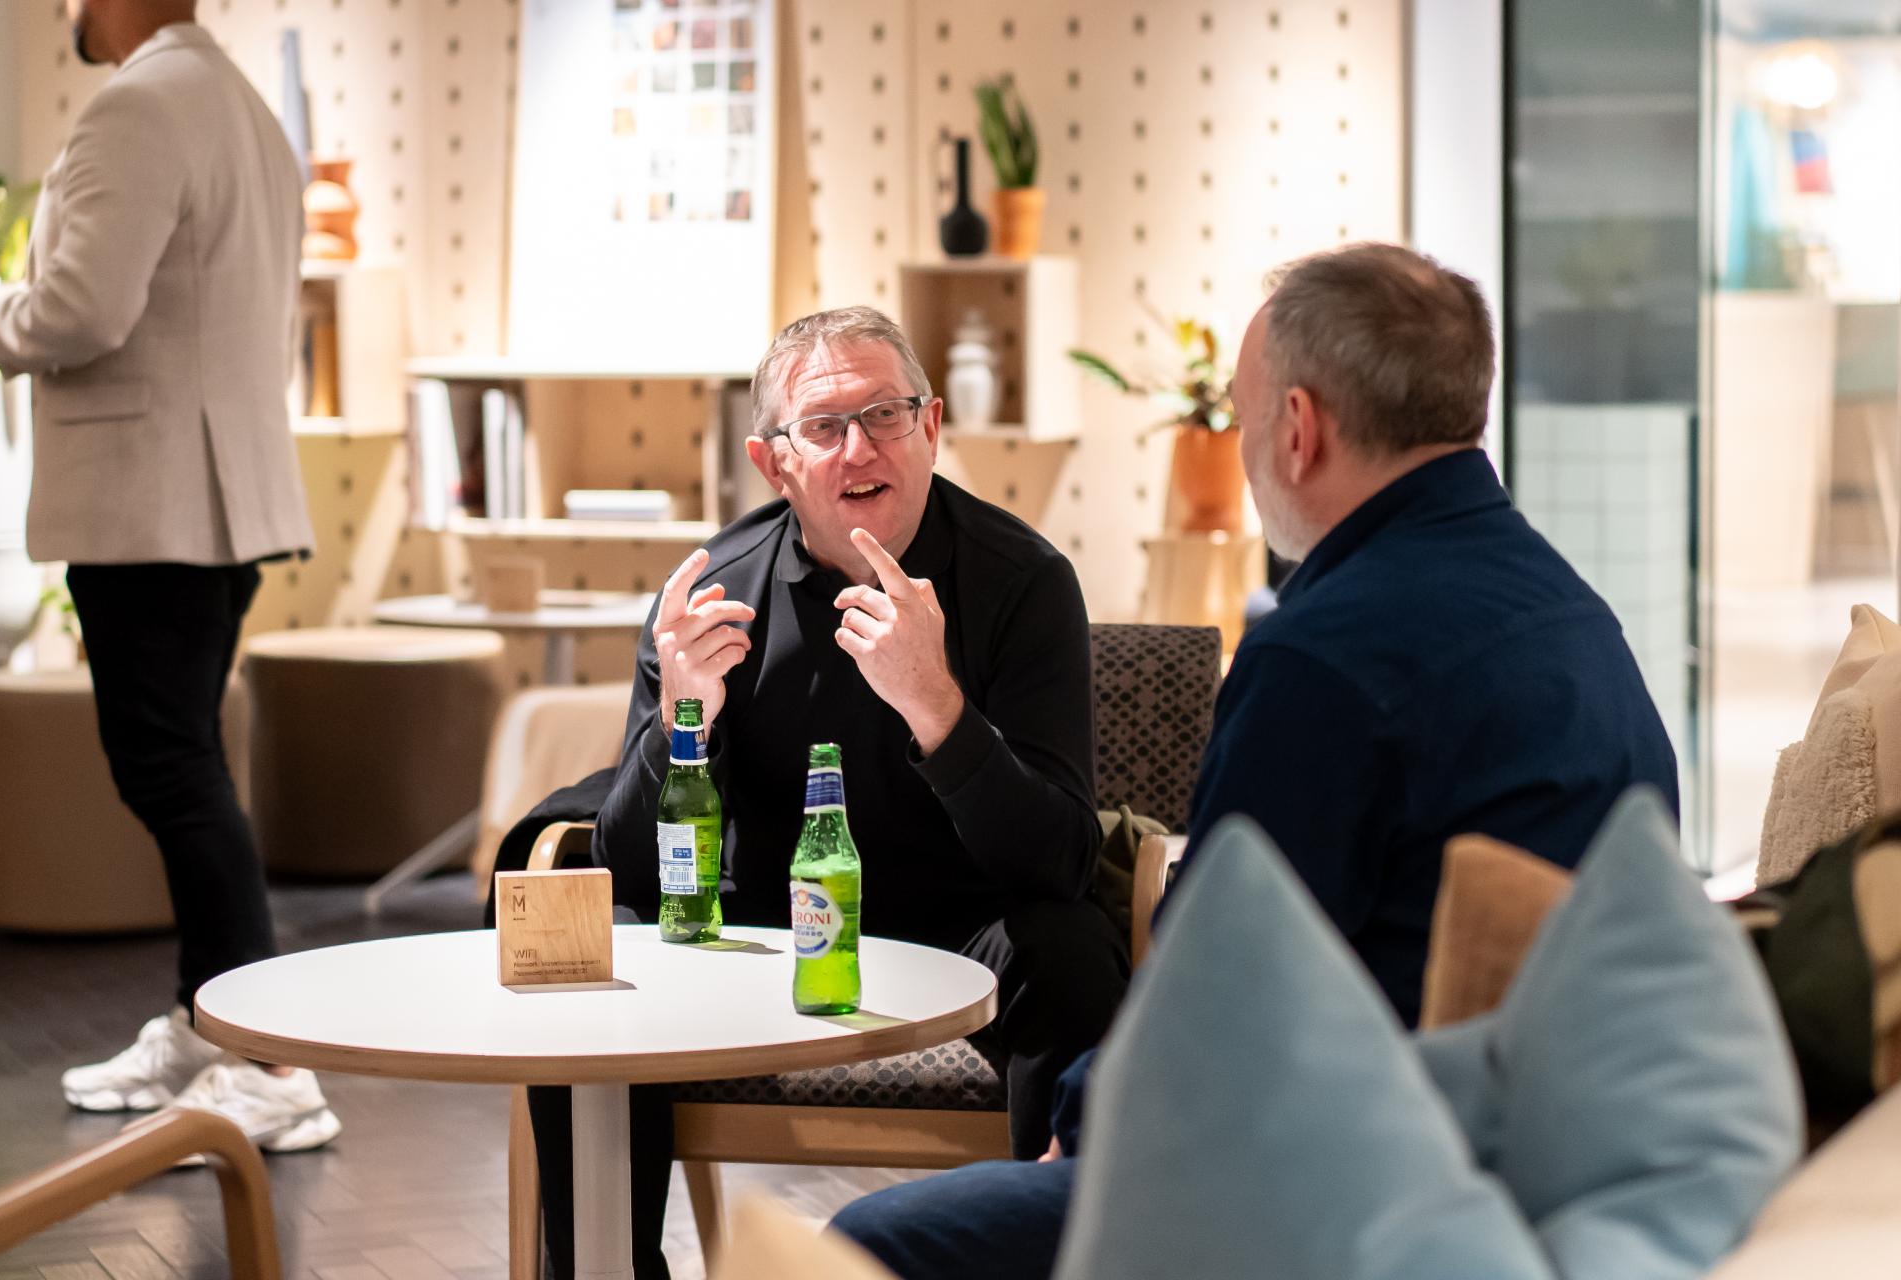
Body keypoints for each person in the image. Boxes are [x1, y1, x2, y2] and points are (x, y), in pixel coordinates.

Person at [830, 242, 1680, 1280]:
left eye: (1240, 414)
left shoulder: (1324, 655)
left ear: (1298, 429)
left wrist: (1088, 1117)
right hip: (1565, 1122)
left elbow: (1213, 992)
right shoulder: (1568, 607)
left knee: (864, 1244)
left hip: (1373, 1159)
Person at [515, 305, 1129, 1278]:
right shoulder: (714, 590)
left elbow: (1058, 856)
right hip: (757, 929)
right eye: (825, 426)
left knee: (1069, 950)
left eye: (886, 415)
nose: (860, 447)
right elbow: (628, 860)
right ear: (773, 461)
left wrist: (937, 704)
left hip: (962, 922)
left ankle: (1060, 1252)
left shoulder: (1024, 582)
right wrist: (687, 717)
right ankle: (607, 1267)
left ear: (931, 429)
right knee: (606, 942)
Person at [0, 0, 338, 1152]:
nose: (63, 9)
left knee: (171, 772)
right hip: (216, 504)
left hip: (151, 506)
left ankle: (270, 1062)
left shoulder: (135, 105)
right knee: (182, 764)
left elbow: (78, 311)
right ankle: (211, 1020)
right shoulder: (241, 107)